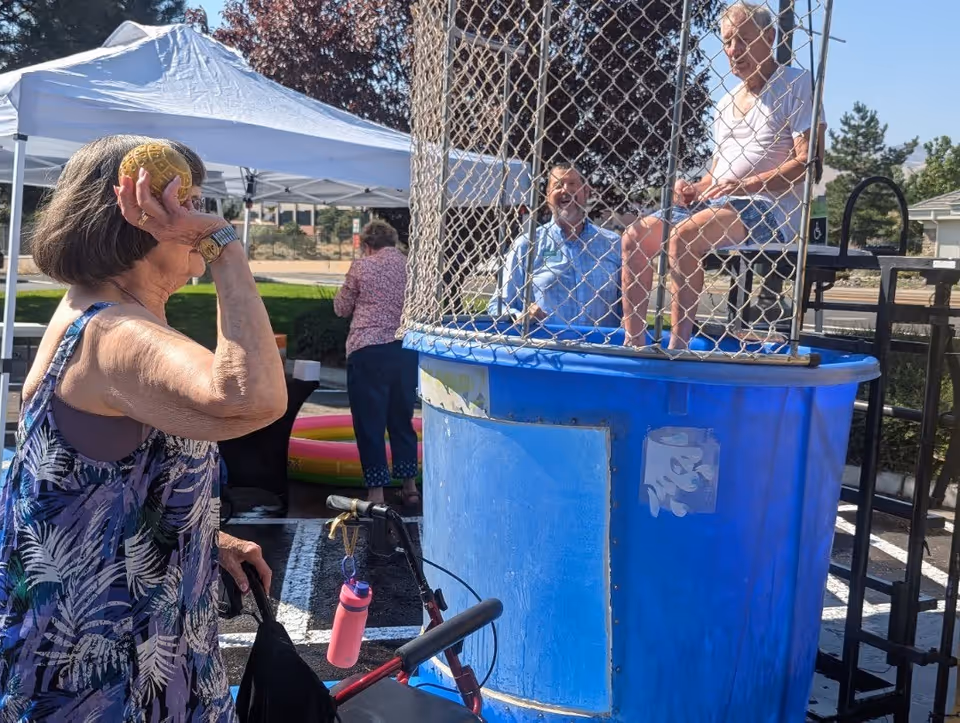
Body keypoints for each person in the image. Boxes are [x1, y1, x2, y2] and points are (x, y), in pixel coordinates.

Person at [0, 135, 285, 721]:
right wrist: (225, 247)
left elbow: (97, 488)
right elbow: (251, 398)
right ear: (141, 218)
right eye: (193, 201)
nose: (205, 217)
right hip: (111, 675)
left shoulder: (88, 311)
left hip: (121, 648)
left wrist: (207, 540)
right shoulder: (115, 334)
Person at [620, 0, 826, 349]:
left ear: (770, 36)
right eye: (727, 42)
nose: (733, 50)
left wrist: (745, 184)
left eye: (743, 40)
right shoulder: (725, 102)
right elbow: (716, 176)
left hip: (768, 207)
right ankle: (634, 344)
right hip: (719, 205)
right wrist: (693, 189)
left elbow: (807, 164)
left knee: (683, 237)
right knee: (634, 237)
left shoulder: (797, 84)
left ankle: (678, 347)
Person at [334, 220, 420, 507]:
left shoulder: (362, 266)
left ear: (367, 245)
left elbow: (341, 308)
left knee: (370, 421)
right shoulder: (411, 267)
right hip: (404, 349)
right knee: (401, 418)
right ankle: (409, 486)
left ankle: (376, 491)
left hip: (367, 350)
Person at [488, 162, 622, 329]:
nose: (565, 190)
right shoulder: (527, 245)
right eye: (558, 185)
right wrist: (521, 315)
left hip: (603, 350)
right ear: (547, 196)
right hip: (548, 350)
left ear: (586, 192)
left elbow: (631, 306)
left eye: (572, 184)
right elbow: (497, 305)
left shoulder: (613, 244)